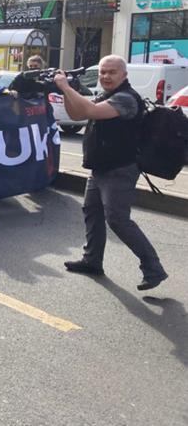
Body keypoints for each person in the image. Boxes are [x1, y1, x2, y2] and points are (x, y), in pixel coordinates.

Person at [54, 55, 168, 291]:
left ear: (124, 75)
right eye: (102, 72)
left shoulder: (126, 98)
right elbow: (77, 115)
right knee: (92, 212)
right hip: (100, 167)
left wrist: (65, 87)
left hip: (120, 169)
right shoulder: (107, 95)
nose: (105, 76)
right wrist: (66, 92)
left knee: (117, 219)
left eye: (111, 72)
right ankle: (92, 260)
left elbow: (91, 111)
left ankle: (153, 268)